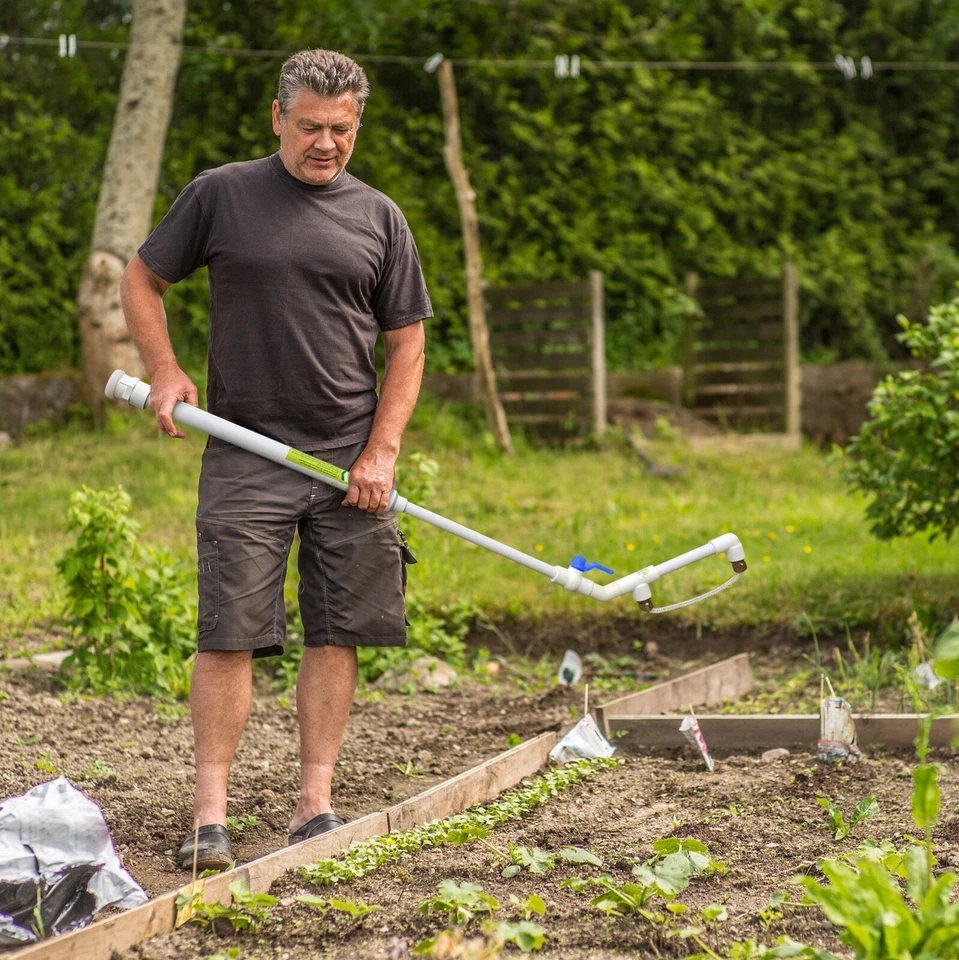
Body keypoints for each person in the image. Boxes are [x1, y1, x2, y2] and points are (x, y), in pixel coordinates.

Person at [119, 49, 431, 870]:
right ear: (277, 118)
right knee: (228, 631)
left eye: (342, 129)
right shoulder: (221, 194)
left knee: (338, 630)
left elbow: (406, 344)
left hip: (347, 463)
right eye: (310, 127)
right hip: (245, 447)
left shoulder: (380, 218)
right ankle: (210, 818)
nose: (326, 144)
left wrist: (382, 451)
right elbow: (142, 278)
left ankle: (314, 805)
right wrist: (164, 368)